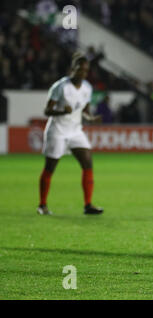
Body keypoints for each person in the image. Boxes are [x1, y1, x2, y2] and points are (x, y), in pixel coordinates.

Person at [37, 53, 104, 215]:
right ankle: (42, 205)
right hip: (57, 131)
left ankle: (88, 205)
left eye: (85, 70)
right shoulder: (60, 86)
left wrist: (91, 118)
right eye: (79, 69)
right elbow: (46, 110)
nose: (82, 73)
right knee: (50, 167)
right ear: (72, 69)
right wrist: (60, 111)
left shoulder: (87, 87)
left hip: (75, 131)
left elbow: (85, 111)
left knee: (87, 162)